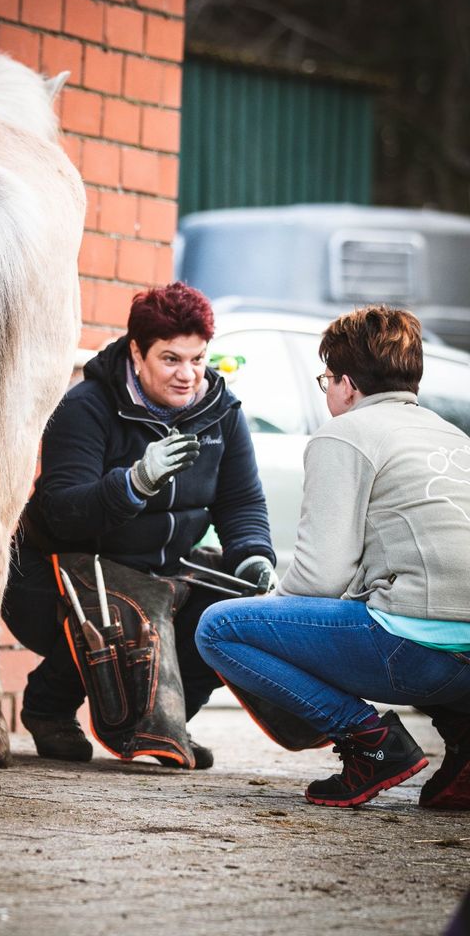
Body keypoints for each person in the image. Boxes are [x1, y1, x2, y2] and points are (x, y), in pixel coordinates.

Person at [196, 305, 470, 807]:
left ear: (345, 384)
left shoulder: (345, 434)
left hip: (418, 655)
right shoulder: (455, 438)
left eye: (326, 380)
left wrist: (276, 608)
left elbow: (320, 577)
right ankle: (465, 751)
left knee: (218, 628)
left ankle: (370, 743)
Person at [2, 282, 276, 766]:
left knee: (231, 615)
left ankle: (164, 720)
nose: (188, 375)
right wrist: (135, 482)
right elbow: (64, 512)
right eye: (171, 359)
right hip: (53, 575)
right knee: (124, 605)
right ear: (136, 352)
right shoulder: (85, 406)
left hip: (159, 573)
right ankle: (49, 707)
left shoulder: (222, 414)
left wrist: (252, 555)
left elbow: (242, 503)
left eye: (198, 359)